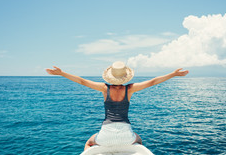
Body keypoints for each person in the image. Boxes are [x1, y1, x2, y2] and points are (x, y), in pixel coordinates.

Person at [46, 61, 189, 150]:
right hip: (127, 135)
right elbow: (153, 82)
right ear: (125, 76)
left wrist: (62, 73)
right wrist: (173, 74)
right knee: (139, 140)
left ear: (110, 76)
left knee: (89, 143)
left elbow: (82, 81)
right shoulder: (130, 88)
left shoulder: (104, 88)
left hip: (105, 135)